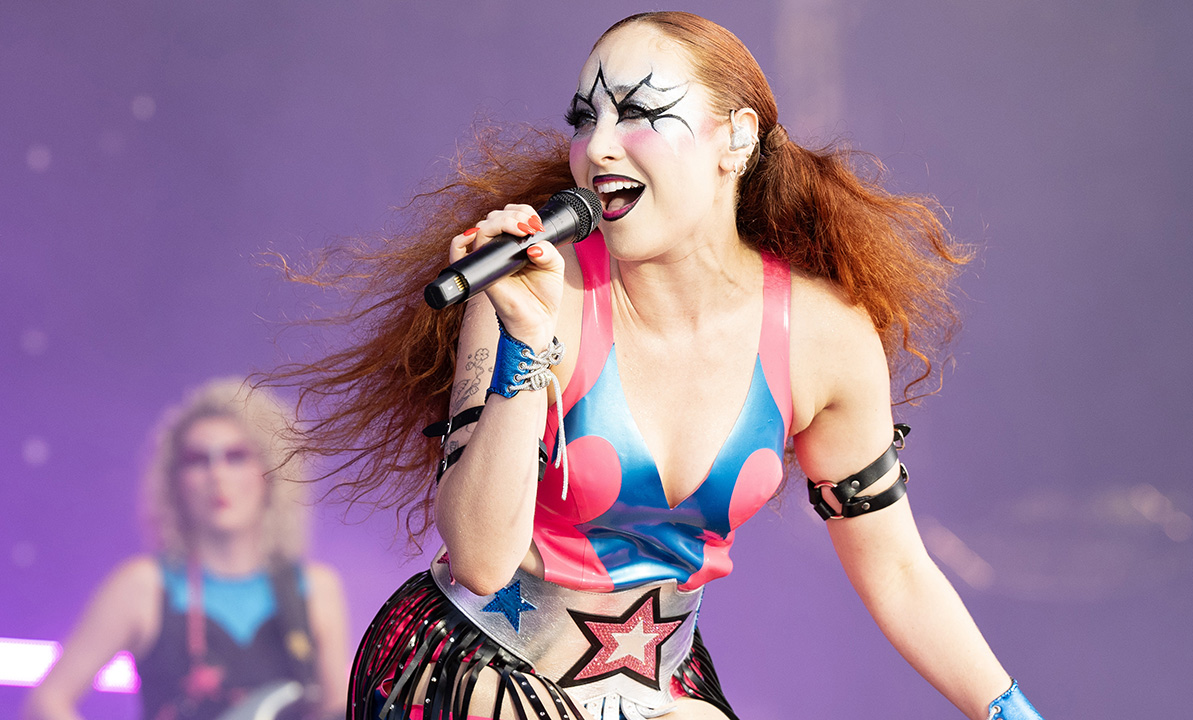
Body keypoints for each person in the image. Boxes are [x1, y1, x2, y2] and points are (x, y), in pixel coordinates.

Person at [277, 11, 1045, 720]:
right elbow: (480, 558)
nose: (598, 145)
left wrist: (1009, 711)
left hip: (654, 688)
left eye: (640, 113)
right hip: (478, 673)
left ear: (735, 140)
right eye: (586, 118)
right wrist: (526, 341)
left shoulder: (824, 336)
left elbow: (899, 571)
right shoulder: (542, 294)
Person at [24, 379, 350, 720]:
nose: (217, 474)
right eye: (197, 460)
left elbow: (336, 709)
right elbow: (45, 703)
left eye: (235, 456)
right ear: (174, 481)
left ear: (270, 472)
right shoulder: (143, 586)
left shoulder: (317, 588)